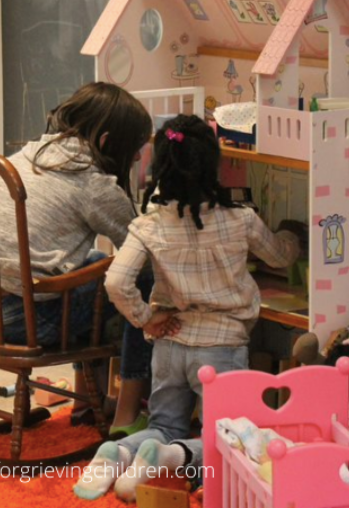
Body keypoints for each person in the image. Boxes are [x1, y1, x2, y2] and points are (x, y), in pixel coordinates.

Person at [73, 114, 300, 501]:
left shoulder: (149, 225)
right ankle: (171, 457)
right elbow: (279, 257)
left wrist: (147, 320)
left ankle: (119, 453)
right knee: (229, 441)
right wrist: (293, 235)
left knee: (164, 423)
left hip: (169, 342)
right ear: (211, 165)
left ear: (161, 167)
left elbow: (116, 281)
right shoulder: (239, 219)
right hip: (222, 348)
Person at [0, 82, 161, 430]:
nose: (139, 157)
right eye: (135, 149)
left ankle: (85, 401)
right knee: (142, 277)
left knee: (95, 262)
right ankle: (127, 411)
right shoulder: (93, 184)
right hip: (23, 323)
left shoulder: (23, 157)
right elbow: (142, 248)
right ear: (108, 142)